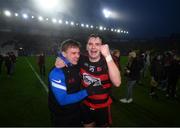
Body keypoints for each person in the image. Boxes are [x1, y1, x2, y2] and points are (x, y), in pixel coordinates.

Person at [55, 34, 121, 127]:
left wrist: (108, 55)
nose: (93, 47)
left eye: (97, 44)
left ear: (102, 47)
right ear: (86, 46)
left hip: (103, 107)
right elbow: (68, 54)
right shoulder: (81, 59)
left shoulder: (109, 61)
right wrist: (61, 58)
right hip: (85, 104)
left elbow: (117, 82)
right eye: (90, 44)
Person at [48, 39, 102, 127]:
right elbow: (63, 100)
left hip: (77, 109)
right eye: (73, 53)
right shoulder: (56, 73)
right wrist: (87, 91)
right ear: (64, 54)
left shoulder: (75, 65)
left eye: (78, 53)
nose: (77, 56)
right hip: (62, 116)